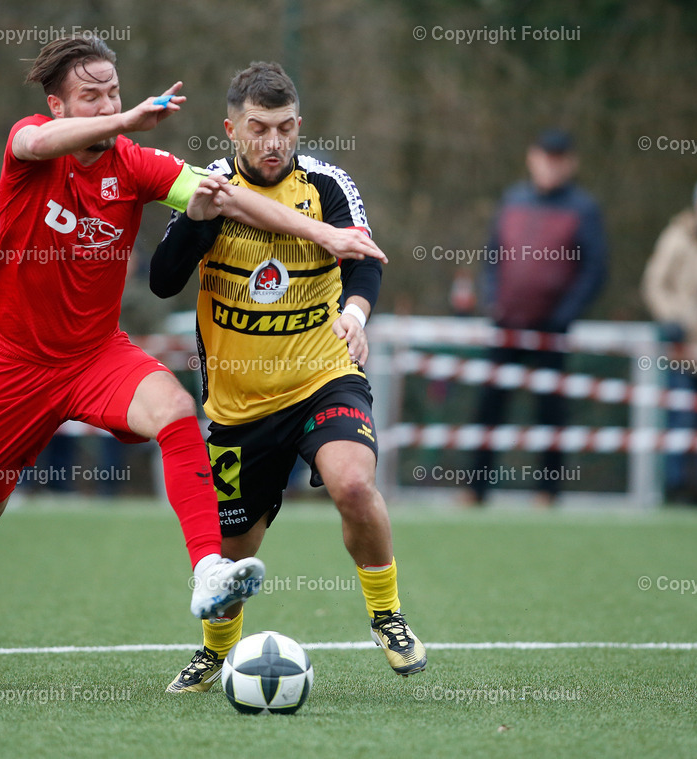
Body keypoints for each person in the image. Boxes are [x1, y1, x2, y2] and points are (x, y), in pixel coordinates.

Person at [0, 34, 385, 688]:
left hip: (96, 355)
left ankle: (207, 572)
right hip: (16, 364)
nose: (109, 102)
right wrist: (126, 119)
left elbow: (226, 194)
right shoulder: (29, 146)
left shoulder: (133, 164)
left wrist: (325, 233)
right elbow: (36, 142)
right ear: (57, 105)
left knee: (173, 406)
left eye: (114, 90)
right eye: (91, 95)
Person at [151, 61, 425, 693]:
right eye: (258, 129)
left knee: (354, 484)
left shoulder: (327, 185)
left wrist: (355, 312)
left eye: (283, 128)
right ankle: (216, 651)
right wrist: (194, 219)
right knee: (232, 550)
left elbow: (365, 260)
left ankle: (388, 614)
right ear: (231, 130)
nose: (272, 142)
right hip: (239, 405)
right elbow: (163, 281)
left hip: (322, 379)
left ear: (298, 125)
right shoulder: (208, 190)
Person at [469, 129, 608, 506]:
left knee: (551, 411)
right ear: (532, 158)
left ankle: (548, 491)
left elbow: (594, 269)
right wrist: (491, 300)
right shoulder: (513, 200)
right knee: (488, 407)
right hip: (506, 325)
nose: (550, 166)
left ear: (570, 163)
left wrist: (564, 316)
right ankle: (474, 489)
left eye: (558, 159)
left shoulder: (583, 208)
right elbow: (493, 256)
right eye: (545, 157)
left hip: (551, 330)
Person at [642, 174, 697, 505]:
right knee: (680, 418)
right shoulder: (678, 238)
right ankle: (676, 486)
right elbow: (655, 282)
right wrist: (671, 319)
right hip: (684, 346)